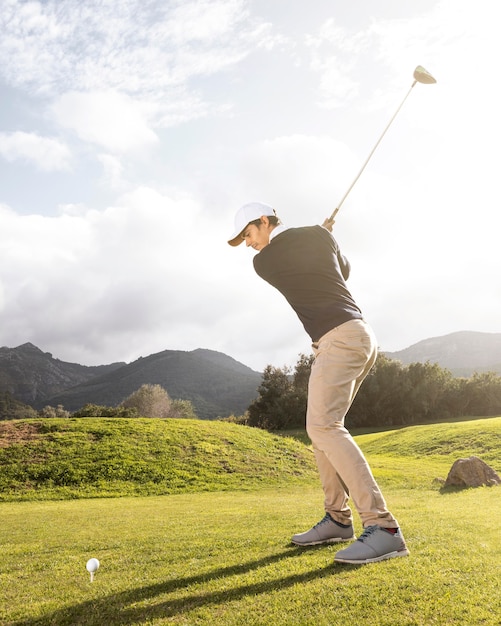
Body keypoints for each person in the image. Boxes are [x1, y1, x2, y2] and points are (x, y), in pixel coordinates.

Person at [227, 201, 409, 565]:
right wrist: (323, 237)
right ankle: (338, 519)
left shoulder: (269, 257)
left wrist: (320, 236)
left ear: (264, 222)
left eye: (248, 234)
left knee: (324, 427)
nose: (248, 244)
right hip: (353, 337)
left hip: (341, 338)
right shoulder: (311, 239)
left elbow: (322, 264)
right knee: (322, 431)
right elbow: (343, 268)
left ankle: (383, 527)